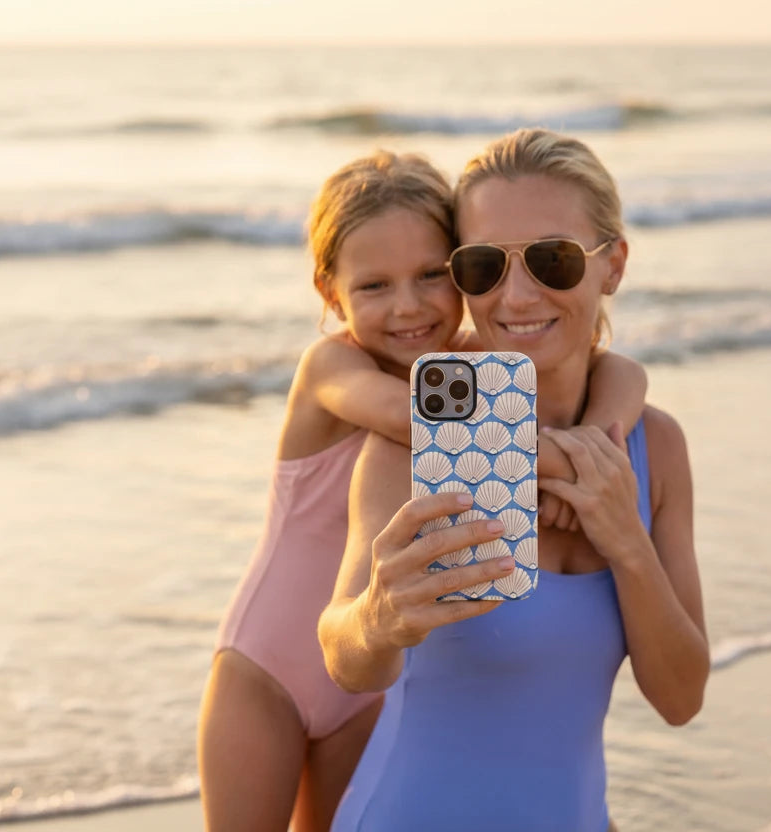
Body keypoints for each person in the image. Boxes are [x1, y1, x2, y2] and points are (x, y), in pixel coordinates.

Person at [197, 150, 649, 832]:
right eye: (374, 286)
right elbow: (410, 415)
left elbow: (619, 370)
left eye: (432, 276)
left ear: (466, 272)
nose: (408, 308)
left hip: (375, 665)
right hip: (269, 671)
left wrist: (596, 427)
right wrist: (563, 459)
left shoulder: (468, 362)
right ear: (330, 293)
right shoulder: (332, 367)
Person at [318, 128, 710, 832]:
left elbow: (681, 698)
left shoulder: (657, 448)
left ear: (612, 265)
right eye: (483, 267)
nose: (517, 295)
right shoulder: (415, 444)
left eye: (553, 261)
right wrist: (378, 620)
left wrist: (627, 542)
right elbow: (344, 655)